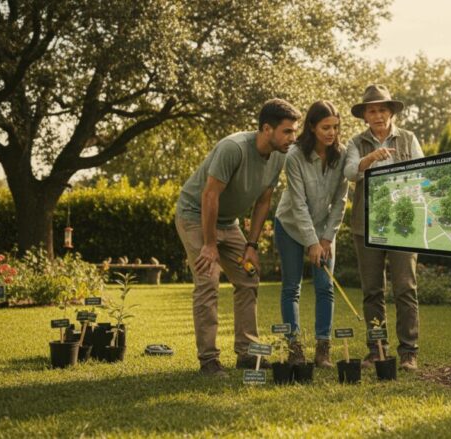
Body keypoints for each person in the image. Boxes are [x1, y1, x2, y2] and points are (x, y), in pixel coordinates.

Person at [175, 99, 301, 376]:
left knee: (248, 277)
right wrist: (209, 245)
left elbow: (263, 202)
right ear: (267, 129)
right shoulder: (233, 148)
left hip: (228, 221)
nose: (293, 138)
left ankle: (246, 353)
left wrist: (251, 245)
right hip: (195, 214)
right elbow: (210, 195)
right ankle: (208, 359)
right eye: (288, 131)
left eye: (294, 131)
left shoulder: (279, 155)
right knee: (208, 282)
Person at [343, 84, 423, 371]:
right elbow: (350, 172)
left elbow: (421, 173)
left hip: (403, 225)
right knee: (373, 291)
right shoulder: (356, 143)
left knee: (405, 288)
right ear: (365, 116)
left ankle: (408, 353)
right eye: (372, 110)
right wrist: (369, 160)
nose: (377, 115)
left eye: (382, 109)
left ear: (391, 112)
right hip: (367, 227)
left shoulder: (408, 138)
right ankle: (377, 349)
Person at [274, 100, 349, 368]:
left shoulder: (342, 155)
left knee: (325, 288)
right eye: (326, 127)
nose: (331, 133)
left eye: (336, 127)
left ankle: (323, 351)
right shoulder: (294, 155)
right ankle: (295, 349)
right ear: (312, 127)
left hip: (324, 231)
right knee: (291, 288)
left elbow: (341, 201)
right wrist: (311, 242)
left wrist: (326, 239)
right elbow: (298, 203)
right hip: (291, 226)